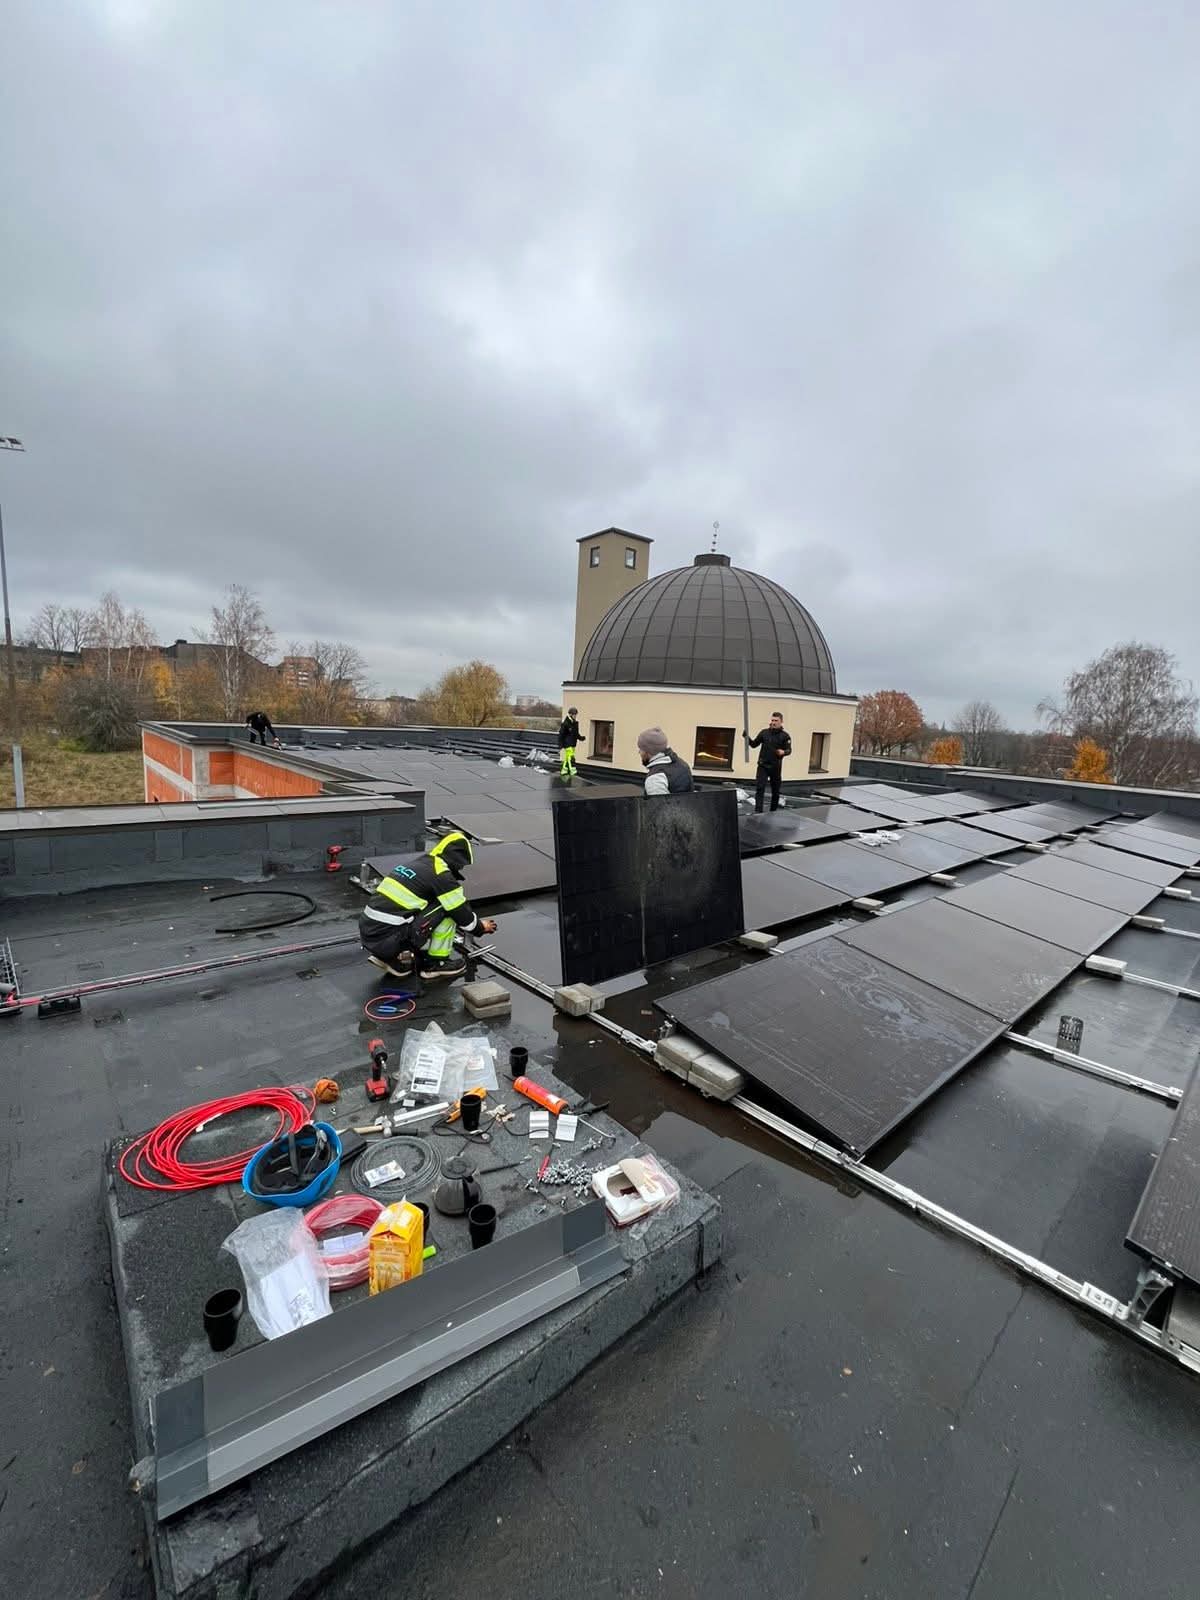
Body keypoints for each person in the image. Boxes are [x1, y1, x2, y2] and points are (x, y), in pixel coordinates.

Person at [358, 831, 497, 982]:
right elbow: (462, 915)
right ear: (457, 860)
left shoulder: (418, 864)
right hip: (389, 940)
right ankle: (437, 964)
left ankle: (392, 960)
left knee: (425, 905)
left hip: (370, 933)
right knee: (447, 908)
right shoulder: (442, 875)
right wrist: (480, 927)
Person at [747, 712, 792, 813]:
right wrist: (747, 738)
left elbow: (789, 750)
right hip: (763, 765)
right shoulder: (764, 733)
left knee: (775, 791)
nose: (773, 722)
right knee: (760, 788)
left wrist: (783, 752)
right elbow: (754, 744)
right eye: (772, 720)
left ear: (781, 722)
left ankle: (773, 811)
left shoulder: (785, 736)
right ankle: (758, 811)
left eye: (776, 721)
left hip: (775, 767)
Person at [637, 727, 695, 795]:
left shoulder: (655, 779)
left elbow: (659, 802)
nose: (639, 752)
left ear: (648, 751)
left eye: (641, 749)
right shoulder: (683, 764)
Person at [558, 706, 584, 777]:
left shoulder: (575, 723)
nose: (575, 716)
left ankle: (564, 770)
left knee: (567, 758)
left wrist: (581, 738)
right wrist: (560, 744)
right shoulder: (565, 723)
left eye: (576, 714)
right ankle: (573, 771)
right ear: (570, 714)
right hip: (567, 744)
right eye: (574, 714)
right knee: (571, 757)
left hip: (573, 743)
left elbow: (576, 733)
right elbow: (561, 734)